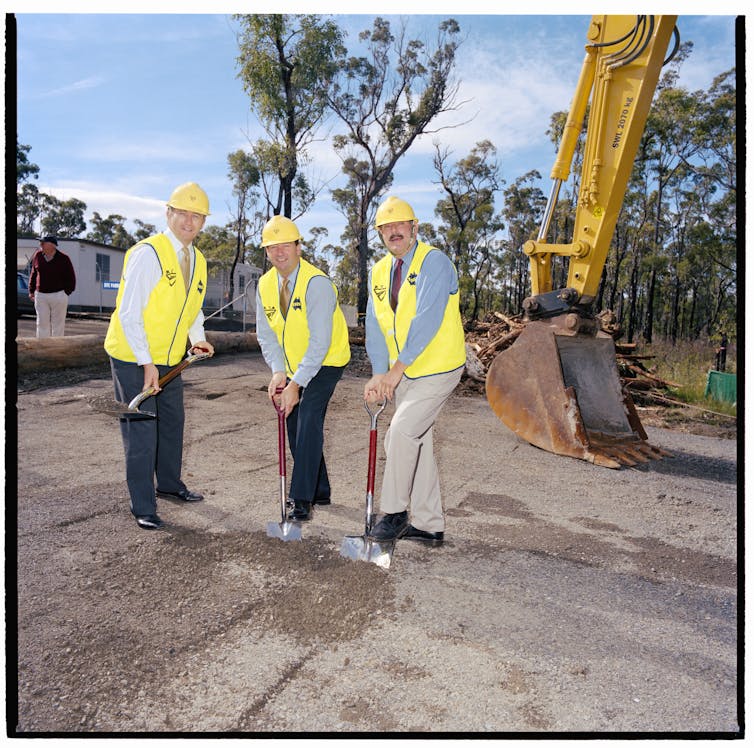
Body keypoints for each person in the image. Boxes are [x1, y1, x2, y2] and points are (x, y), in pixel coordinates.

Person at [103, 182, 215, 530]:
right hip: (133, 355)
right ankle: (143, 504)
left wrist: (197, 339)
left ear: (203, 222)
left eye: (197, 216)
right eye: (183, 213)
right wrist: (145, 361)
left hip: (171, 357)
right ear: (169, 213)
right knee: (142, 427)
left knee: (172, 422)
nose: (189, 221)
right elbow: (129, 313)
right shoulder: (148, 253)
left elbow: (193, 309)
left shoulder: (198, 260)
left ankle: (169, 484)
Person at [363, 196, 466, 547]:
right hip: (405, 373)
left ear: (414, 227)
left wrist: (395, 371)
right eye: (386, 227)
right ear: (380, 233)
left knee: (401, 434)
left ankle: (393, 514)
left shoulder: (433, 262)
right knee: (417, 444)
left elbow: (427, 320)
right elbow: (375, 324)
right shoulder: (378, 271)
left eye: (400, 225)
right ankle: (429, 523)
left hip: (438, 367)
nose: (393, 231)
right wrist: (380, 372)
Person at [256, 215, 351, 522]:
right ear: (266, 252)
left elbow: (320, 342)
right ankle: (320, 489)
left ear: (299, 247)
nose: (279, 252)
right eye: (272, 247)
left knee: (308, 416)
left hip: (327, 361)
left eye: (286, 245)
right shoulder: (265, 284)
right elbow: (267, 334)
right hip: (295, 364)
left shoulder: (317, 283)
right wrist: (279, 372)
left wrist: (297, 385)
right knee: (295, 424)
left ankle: (301, 498)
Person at [28, 235, 76, 337]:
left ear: (52, 245)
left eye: (43, 242)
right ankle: (42, 348)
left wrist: (65, 293)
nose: (40, 244)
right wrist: (31, 291)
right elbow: (33, 274)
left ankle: (57, 349)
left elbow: (71, 278)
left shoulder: (64, 258)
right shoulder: (37, 256)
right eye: (40, 242)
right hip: (40, 296)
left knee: (58, 325)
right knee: (41, 323)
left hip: (59, 295)